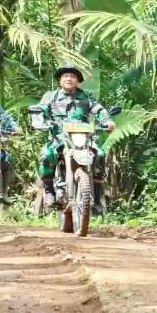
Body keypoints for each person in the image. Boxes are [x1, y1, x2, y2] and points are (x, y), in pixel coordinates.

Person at [35, 66, 115, 214]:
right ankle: (49, 191)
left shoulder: (86, 96)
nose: (69, 79)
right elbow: (40, 110)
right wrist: (39, 121)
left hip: (83, 137)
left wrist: (107, 121)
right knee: (47, 155)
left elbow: (99, 110)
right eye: (65, 76)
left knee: (100, 155)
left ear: (78, 80)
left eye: (72, 76)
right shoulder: (51, 96)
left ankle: (97, 198)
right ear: (60, 80)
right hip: (59, 136)